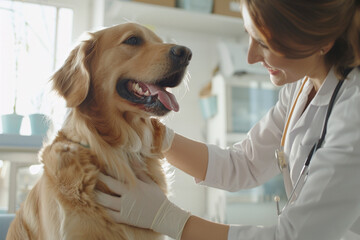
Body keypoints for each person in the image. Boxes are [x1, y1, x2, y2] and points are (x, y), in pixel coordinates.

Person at [96, 0, 360, 239]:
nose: (250, 57)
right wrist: (158, 137)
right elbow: (243, 164)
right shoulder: (299, 87)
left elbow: (293, 237)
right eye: (249, 35)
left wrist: (167, 218)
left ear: (320, 43)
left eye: (265, 43)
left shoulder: (354, 112)